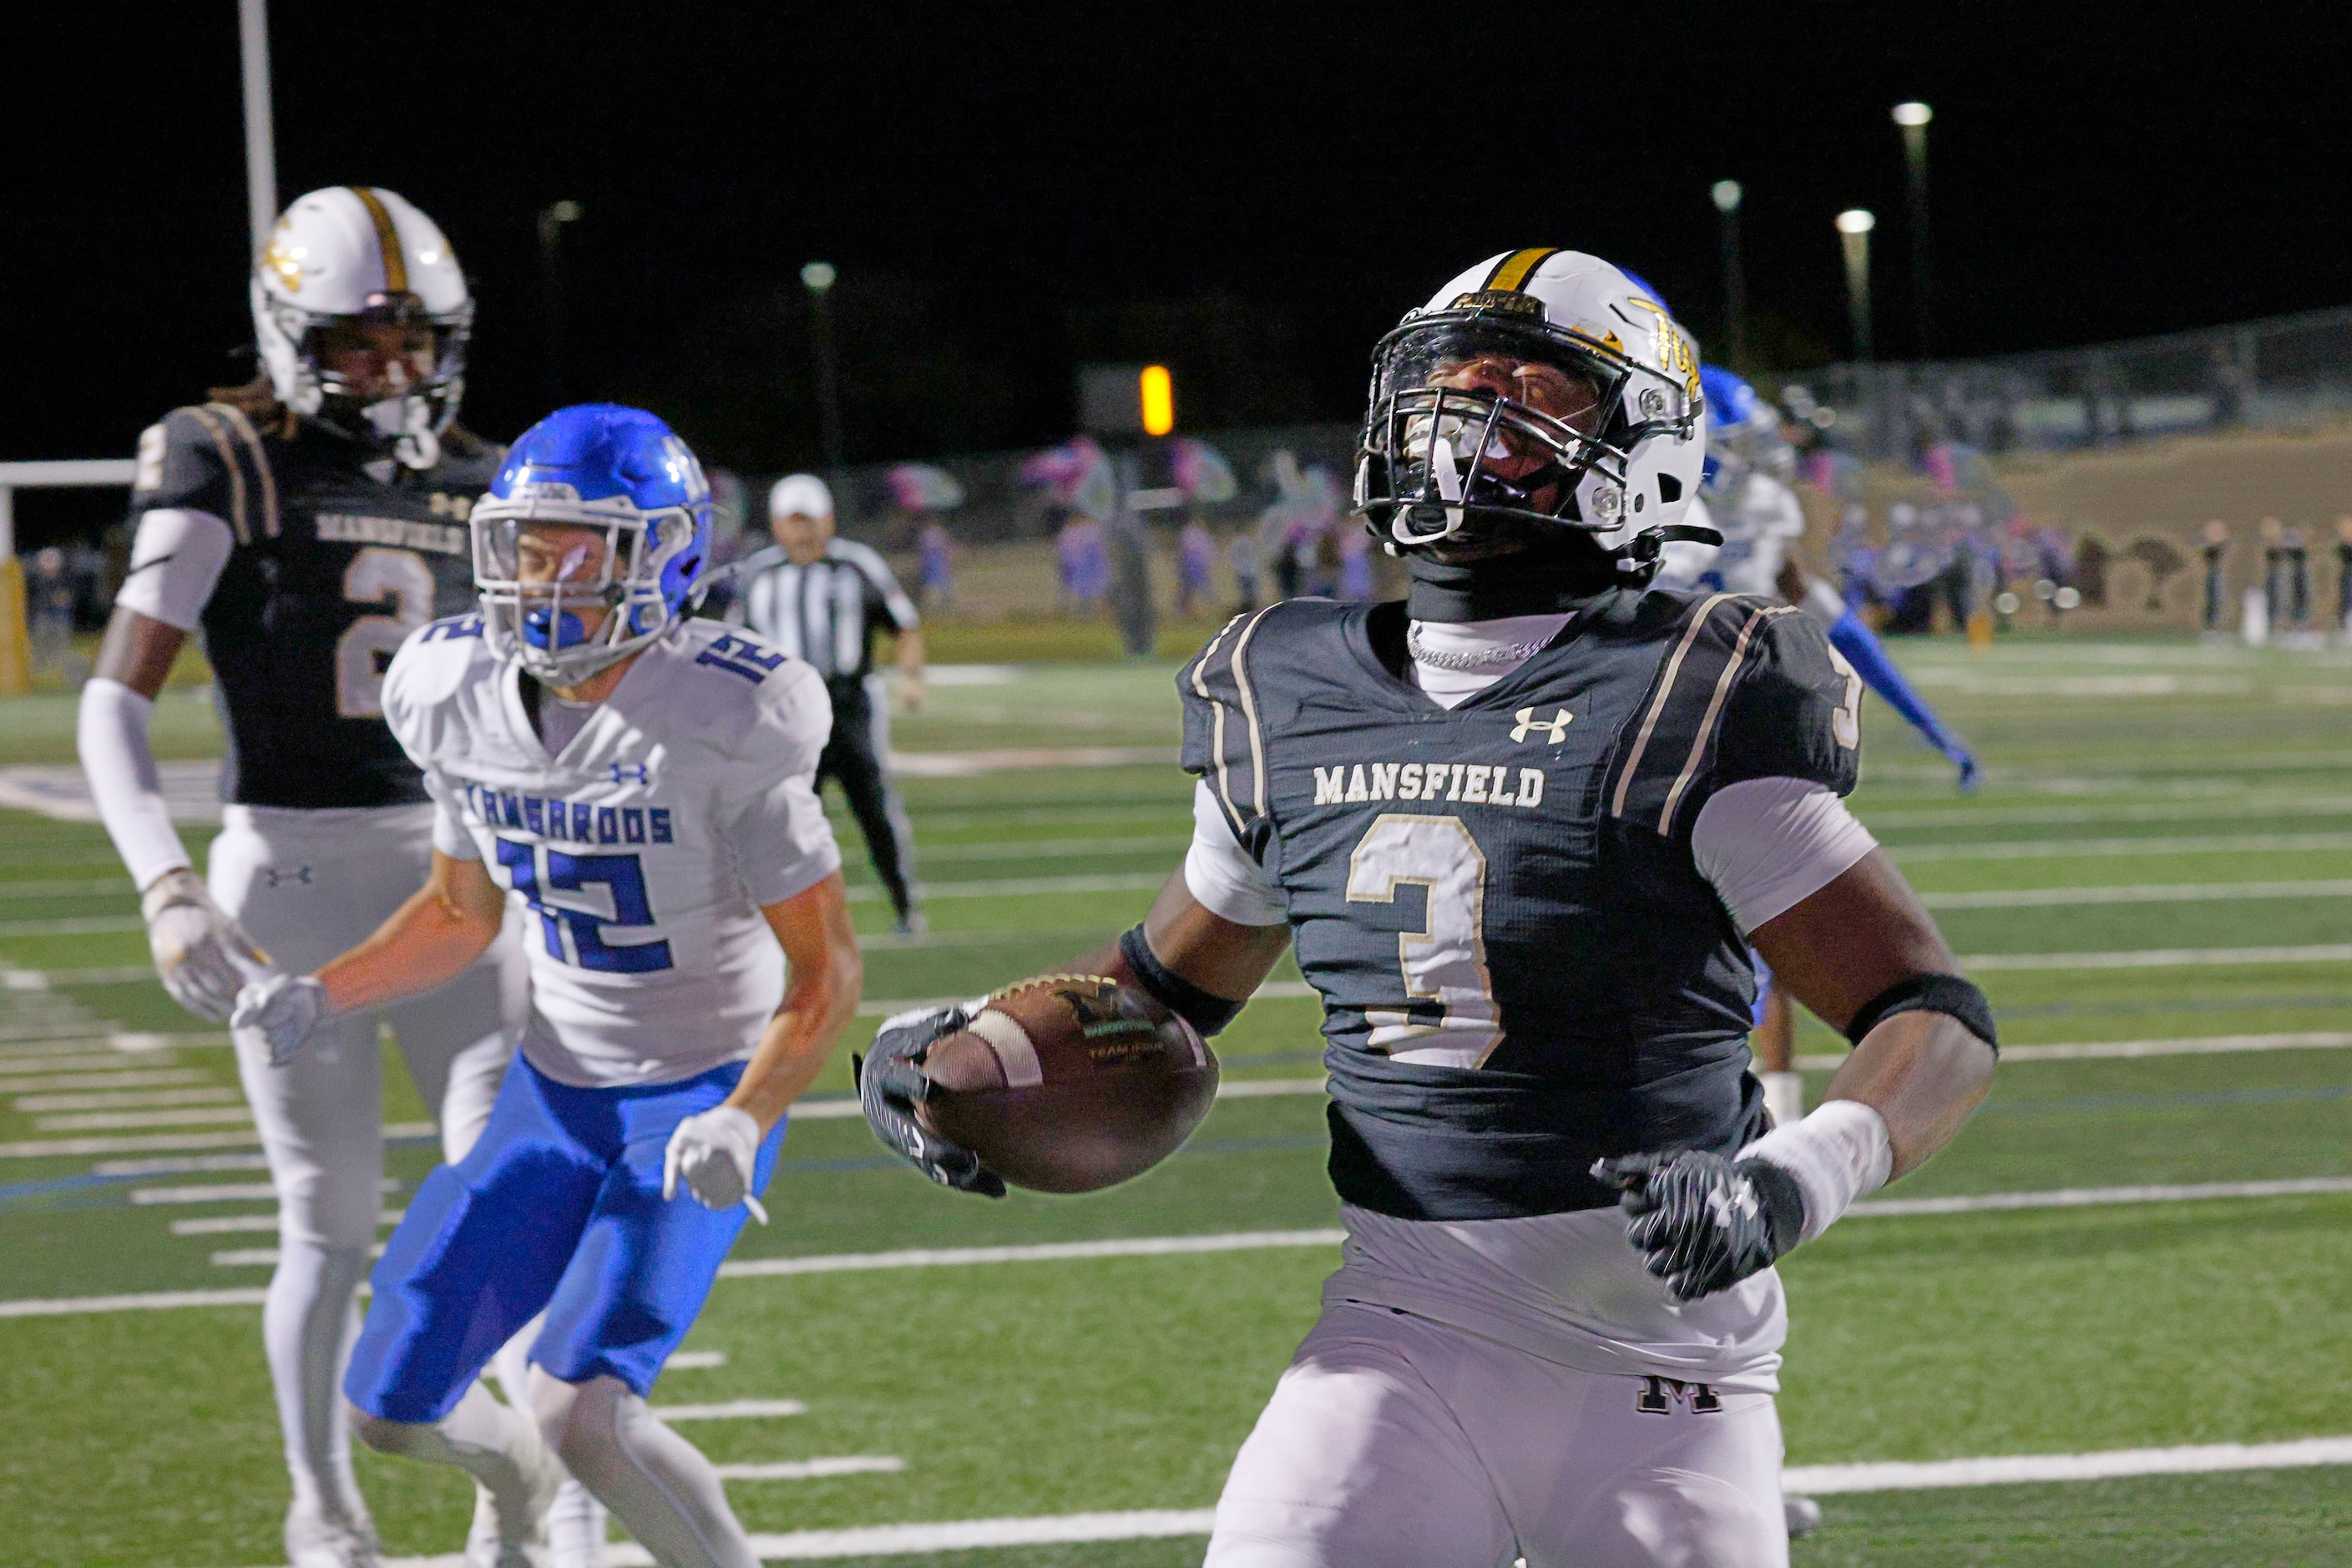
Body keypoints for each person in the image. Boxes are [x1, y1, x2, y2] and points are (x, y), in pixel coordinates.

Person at [860, 250, 2000, 1568]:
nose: (1470, 411)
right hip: (1401, 1323)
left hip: (1662, 1364)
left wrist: (1792, 1176)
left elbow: (1933, 1013)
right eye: (1450, 382)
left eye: (1533, 387)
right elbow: (1159, 988)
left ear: (1642, 452)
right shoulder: (1282, 684)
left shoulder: (1692, 687)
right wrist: (964, 1044)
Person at [234, 404, 862, 1568]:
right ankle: (511, 1483)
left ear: (670, 558)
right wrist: (323, 989)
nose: (549, 573)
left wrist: (748, 1111)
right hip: (554, 1089)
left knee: (585, 1409)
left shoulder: (730, 710)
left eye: (588, 546)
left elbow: (826, 971)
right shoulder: (453, 684)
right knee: (387, 1404)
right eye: (533, 543)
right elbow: (460, 915)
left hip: (698, 1093)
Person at [75, 185, 549, 1568]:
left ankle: (532, 1490)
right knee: (328, 1223)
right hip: (283, 883)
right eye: (361, 342)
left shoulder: (488, 477)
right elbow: (118, 697)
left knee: (498, 1205)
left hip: (461, 889)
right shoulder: (224, 454)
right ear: (291, 335)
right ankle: (326, 1506)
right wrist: (165, 882)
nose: (393, 368)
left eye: (415, 341)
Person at [735, 473, 926, 935]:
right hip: (785, 716)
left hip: (849, 706)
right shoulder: (757, 573)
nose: (803, 532)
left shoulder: (857, 564)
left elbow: (904, 625)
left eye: (811, 520)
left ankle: (905, 906)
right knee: (786, 819)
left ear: (829, 520)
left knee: (874, 808)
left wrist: (911, 680)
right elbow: (736, 646)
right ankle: (787, 921)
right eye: (793, 521)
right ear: (777, 525)